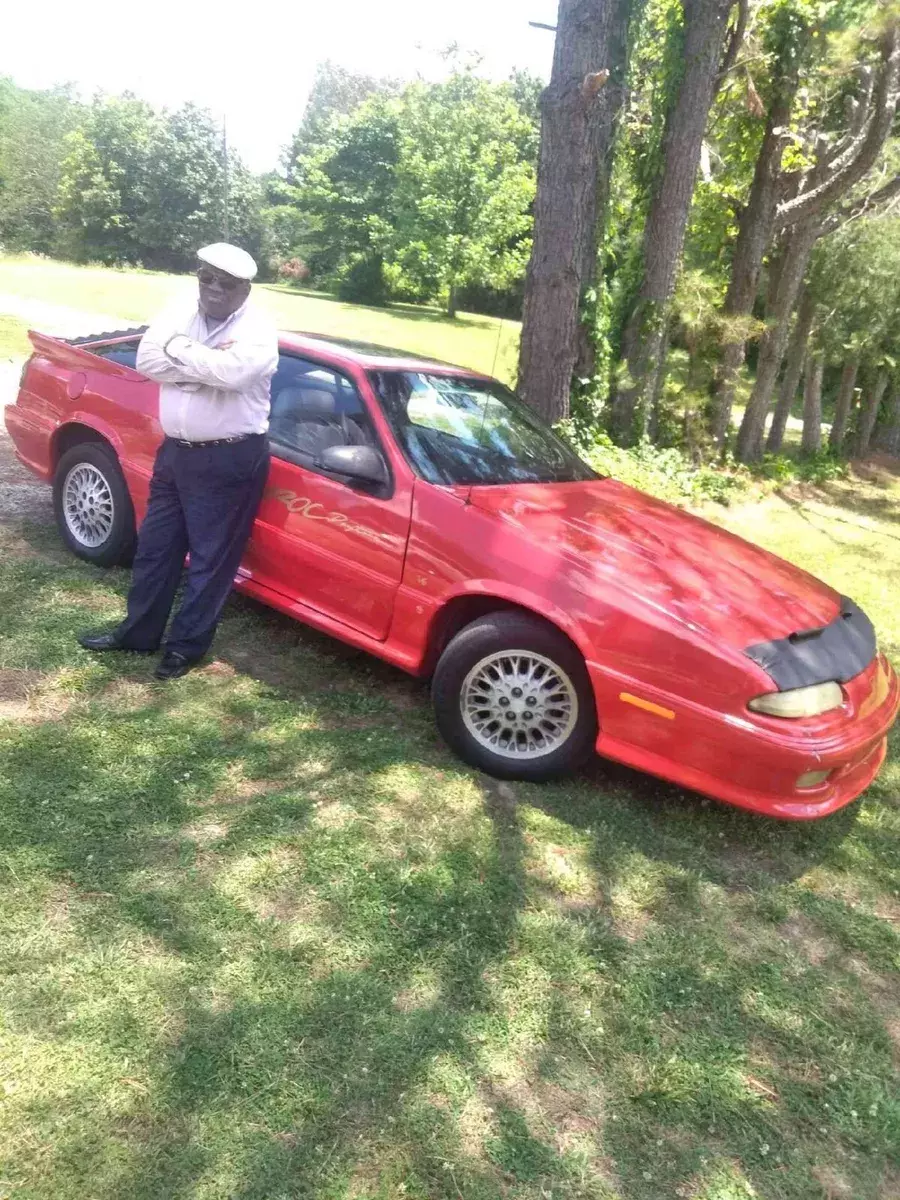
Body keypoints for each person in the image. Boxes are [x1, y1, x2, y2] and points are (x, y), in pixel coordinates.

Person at [78, 243, 279, 680]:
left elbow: (236, 375)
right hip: (175, 453)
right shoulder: (180, 309)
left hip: (229, 457)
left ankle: (184, 648)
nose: (212, 289)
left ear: (245, 290)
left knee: (210, 558)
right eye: (205, 277)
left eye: (225, 283)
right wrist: (205, 363)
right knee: (155, 548)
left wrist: (181, 353)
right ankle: (137, 634)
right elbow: (147, 358)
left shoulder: (260, 328)